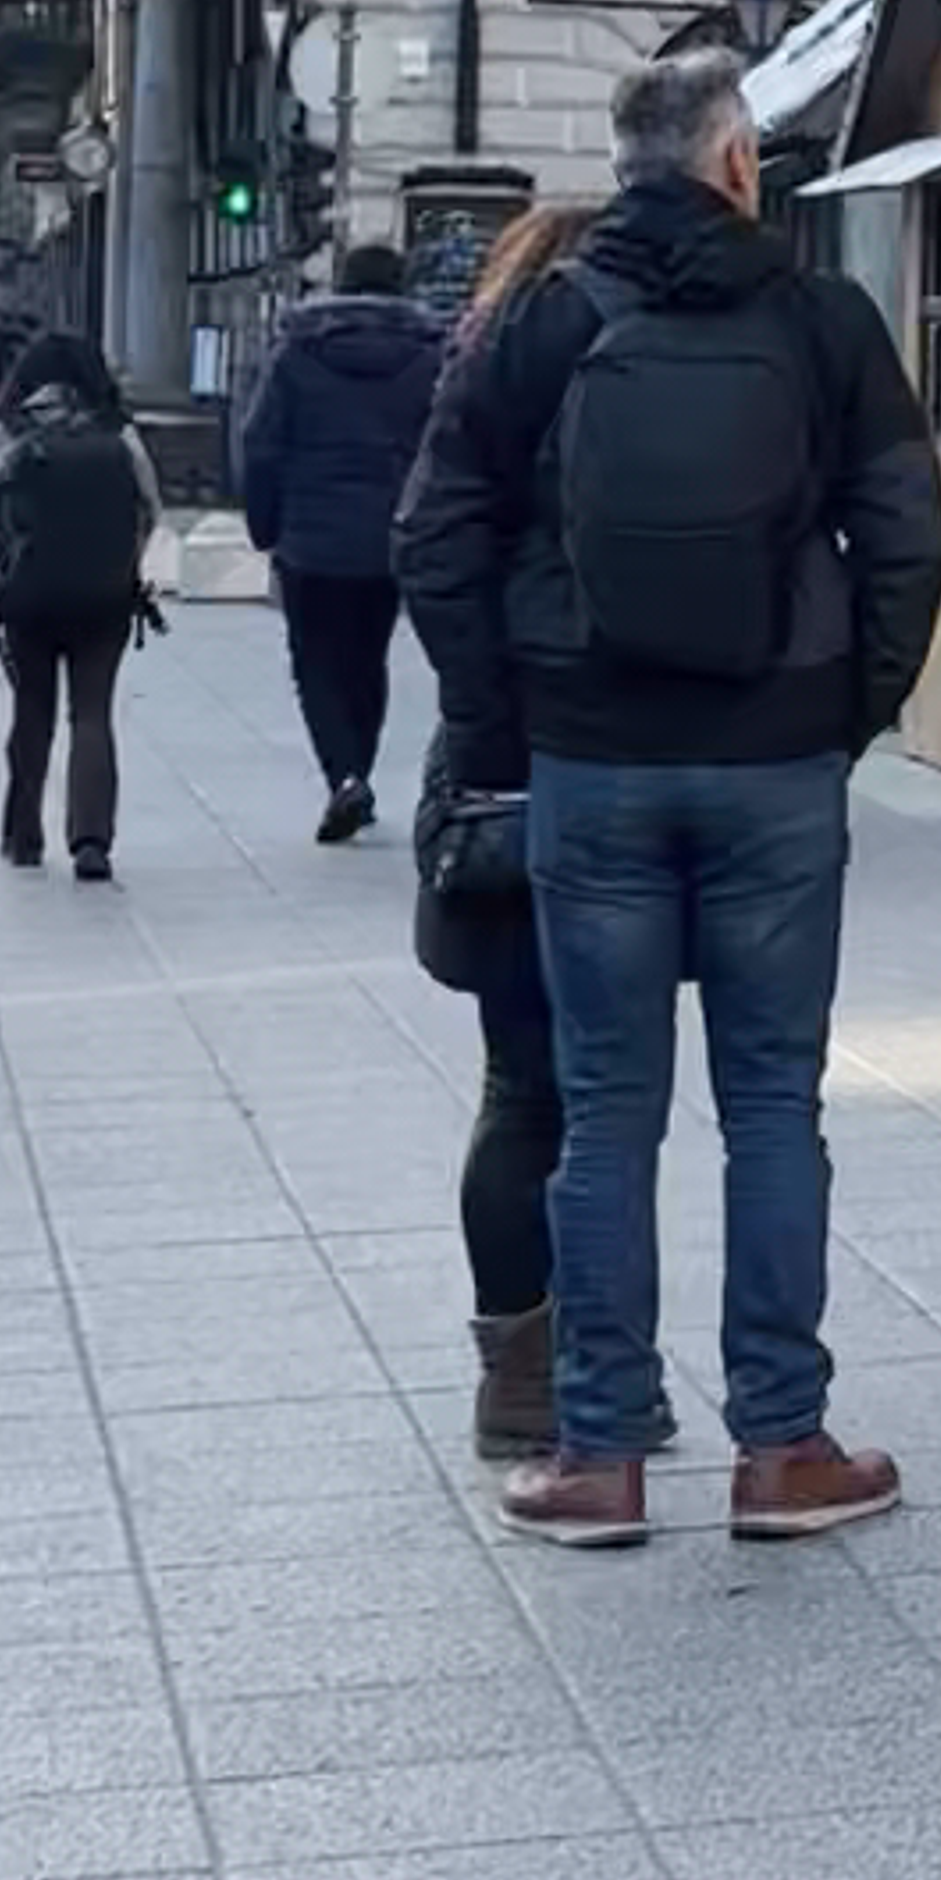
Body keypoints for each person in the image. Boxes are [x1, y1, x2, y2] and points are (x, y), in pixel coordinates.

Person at [395, 40, 941, 1549]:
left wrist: (510, 715)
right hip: (776, 761)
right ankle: (783, 1448)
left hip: (593, 760)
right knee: (775, 1101)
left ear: (624, 161)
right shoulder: (825, 320)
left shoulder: (541, 319)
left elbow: (434, 529)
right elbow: (908, 537)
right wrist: (846, 711)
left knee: (605, 1114)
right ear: (738, 162)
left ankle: (599, 1454)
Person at [403, 204, 617, 1464]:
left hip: (505, 762)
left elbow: (430, 544)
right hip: (620, 748)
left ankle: (517, 1374)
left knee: (520, 1083)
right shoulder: (641, 369)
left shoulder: (482, 367)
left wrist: (483, 724)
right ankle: (594, 1363)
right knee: (602, 1092)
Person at [237, 240, 445, 839]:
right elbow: (445, 441)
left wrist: (264, 523)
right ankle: (359, 769)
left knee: (315, 662)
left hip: (309, 537)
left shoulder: (297, 353)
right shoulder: (428, 355)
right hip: (389, 534)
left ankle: (344, 776)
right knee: (367, 658)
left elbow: (261, 443)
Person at [0, 334, 160, 881]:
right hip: (105, 599)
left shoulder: (11, 431)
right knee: (92, 713)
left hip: (28, 598)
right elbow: (151, 507)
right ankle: (91, 841)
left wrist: (11, 550)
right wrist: (122, 558)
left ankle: (23, 834)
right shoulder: (117, 432)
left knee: (31, 710)